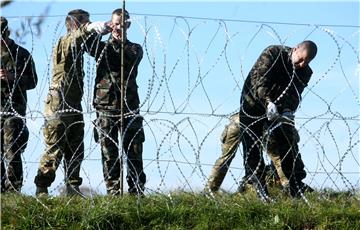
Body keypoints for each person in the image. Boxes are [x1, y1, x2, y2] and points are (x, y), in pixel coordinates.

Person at [34, 9, 110, 196]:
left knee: (76, 147)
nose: (88, 24)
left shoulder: (78, 46)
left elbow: (90, 46)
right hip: (58, 103)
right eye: (85, 21)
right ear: (76, 24)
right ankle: (42, 188)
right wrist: (92, 27)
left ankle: (73, 187)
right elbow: (75, 38)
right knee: (55, 146)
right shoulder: (65, 42)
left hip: (74, 103)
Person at [239, 40, 317, 200]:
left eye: (307, 61)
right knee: (252, 144)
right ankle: (258, 185)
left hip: (279, 108)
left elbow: (295, 93)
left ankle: (296, 183)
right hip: (252, 103)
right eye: (301, 59)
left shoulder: (305, 72)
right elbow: (259, 80)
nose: (302, 64)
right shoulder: (273, 54)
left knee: (288, 141)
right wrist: (268, 103)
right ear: (295, 49)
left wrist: (288, 110)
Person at [90, 9, 146, 196]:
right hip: (106, 106)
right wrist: (99, 30)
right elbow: (87, 46)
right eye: (115, 24)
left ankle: (136, 190)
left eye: (122, 24)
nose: (118, 28)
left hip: (129, 106)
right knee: (109, 153)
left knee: (134, 151)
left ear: (128, 25)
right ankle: (113, 190)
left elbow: (122, 59)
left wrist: (118, 40)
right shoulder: (102, 47)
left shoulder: (134, 48)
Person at [0, 17, 38, 193]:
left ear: (7, 32)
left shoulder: (21, 54)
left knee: (12, 151)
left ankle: (13, 191)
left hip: (13, 110)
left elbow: (33, 81)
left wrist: (13, 78)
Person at [206, 113, 279, 193]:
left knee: (225, 158)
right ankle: (288, 187)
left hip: (237, 120)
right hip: (258, 121)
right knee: (277, 157)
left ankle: (210, 190)